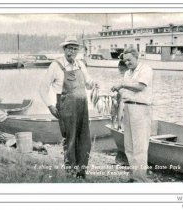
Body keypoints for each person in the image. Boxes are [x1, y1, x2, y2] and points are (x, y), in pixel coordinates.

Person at [39, 36, 97, 179]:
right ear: (64, 49)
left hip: (82, 106)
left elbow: (88, 83)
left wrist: (93, 84)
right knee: (70, 140)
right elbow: (42, 89)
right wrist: (50, 106)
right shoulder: (56, 65)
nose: (72, 51)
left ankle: (82, 171)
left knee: (84, 139)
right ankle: (71, 172)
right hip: (66, 106)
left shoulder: (80, 64)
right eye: (69, 48)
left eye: (75, 48)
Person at [111, 46, 153, 182]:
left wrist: (122, 85)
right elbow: (125, 92)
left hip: (141, 109)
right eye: (125, 61)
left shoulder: (145, 69)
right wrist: (116, 93)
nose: (127, 63)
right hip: (127, 109)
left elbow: (140, 87)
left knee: (140, 146)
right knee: (129, 146)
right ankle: (134, 176)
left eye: (129, 60)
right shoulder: (127, 73)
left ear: (137, 57)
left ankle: (140, 178)